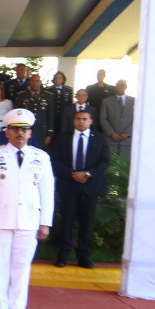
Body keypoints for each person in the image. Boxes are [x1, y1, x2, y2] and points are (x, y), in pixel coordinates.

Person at [0, 109, 55, 309]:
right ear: (7, 132)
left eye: (24, 129)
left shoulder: (41, 157)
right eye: (15, 129)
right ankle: (1, 307)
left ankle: (17, 308)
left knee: (21, 266)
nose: (20, 133)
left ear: (30, 133)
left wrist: (45, 223)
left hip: (28, 220)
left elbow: (47, 192)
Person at [51, 107, 108, 269]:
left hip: (90, 187)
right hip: (68, 186)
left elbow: (105, 161)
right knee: (66, 222)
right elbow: (55, 160)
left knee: (86, 224)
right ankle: (63, 256)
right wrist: (72, 174)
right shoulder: (63, 138)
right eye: (78, 119)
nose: (81, 121)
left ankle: (83, 257)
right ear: (74, 121)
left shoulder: (99, 139)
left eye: (84, 119)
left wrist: (88, 174)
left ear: (91, 121)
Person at [15, 74, 53, 147]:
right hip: (25, 130)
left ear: (40, 82)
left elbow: (51, 116)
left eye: (37, 81)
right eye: (33, 81)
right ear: (29, 82)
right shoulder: (21, 96)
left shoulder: (48, 96)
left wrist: (49, 134)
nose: (35, 83)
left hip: (42, 131)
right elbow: (18, 115)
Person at [100, 80, 135, 157]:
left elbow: (136, 119)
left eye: (122, 85)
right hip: (111, 141)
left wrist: (127, 133)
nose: (119, 87)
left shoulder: (134, 101)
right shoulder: (106, 101)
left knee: (125, 163)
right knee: (110, 163)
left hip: (127, 141)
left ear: (126, 87)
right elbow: (103, 119)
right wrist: (112, 133)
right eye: (117, 85)